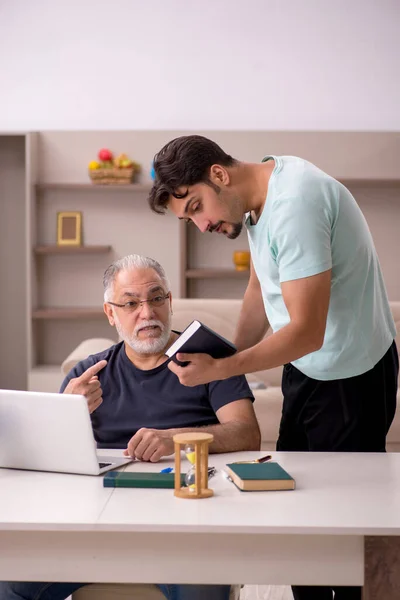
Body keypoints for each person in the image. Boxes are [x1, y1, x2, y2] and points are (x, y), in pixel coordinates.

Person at [148, 135, 399, 600]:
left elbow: (307, 331)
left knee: (344, 523)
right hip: (306, 366)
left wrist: (224, 371)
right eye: (190, 219)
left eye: (197, 208)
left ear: (219, 175)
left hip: (350, 373)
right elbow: (259, 290)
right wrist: (224, 353)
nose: (201, 225)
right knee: (297, 504)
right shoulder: (257, 201)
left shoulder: (296, 205)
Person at [0, 253, 259, 600]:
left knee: (204, 590)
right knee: (9, 585)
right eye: (131, 303)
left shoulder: (210, 358)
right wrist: (68, 408)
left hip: (186, 530)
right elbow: (46, 468)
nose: (147, 313)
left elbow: (247, 433)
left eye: (156, 299)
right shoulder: (87, 374)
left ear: (169, 302)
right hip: (96, 529)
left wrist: (175, 439)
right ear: (111, 313)